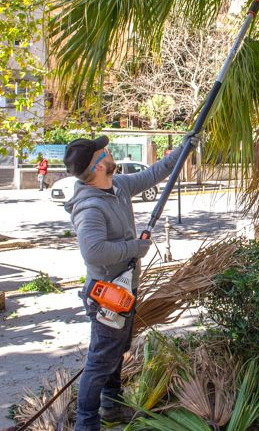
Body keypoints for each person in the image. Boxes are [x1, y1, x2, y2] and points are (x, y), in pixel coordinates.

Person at [63, 132, 198, 431]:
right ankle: (86, 425)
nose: (109, 152)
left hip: (125, 290)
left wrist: (184, 147)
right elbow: (94, 251)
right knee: (99, 362)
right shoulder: (90, 207)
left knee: (114, 353)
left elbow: (155, 173)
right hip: (107, 296)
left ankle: (112, 407)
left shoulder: (117, 186)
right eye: (105, 151)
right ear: (99, 165)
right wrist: (134, 248)